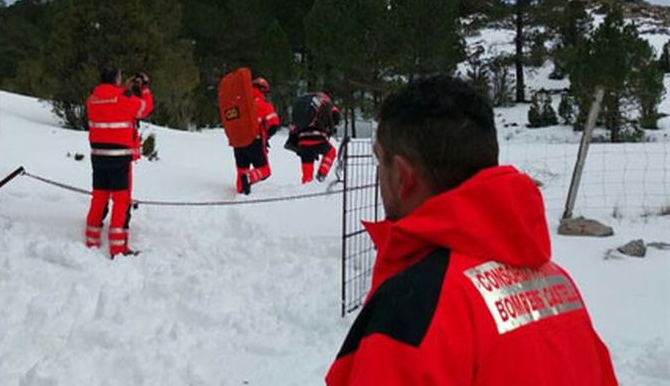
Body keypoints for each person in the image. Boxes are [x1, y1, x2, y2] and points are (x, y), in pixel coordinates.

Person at [325, 76, 616, 385]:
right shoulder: (557, 284)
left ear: (403, 177)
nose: (379, 175)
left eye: (379, 162)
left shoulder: (413, 307)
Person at [84, 66, 153, 257]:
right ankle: (118, 247)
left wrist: (125, 87)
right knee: (121, 200)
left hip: (98, 155)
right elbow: (144, 108)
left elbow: (111, 103)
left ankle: (91, 240)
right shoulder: (123, 98)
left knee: (99, 197)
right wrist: (144, 88)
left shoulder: (93, 99)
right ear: (116, 79)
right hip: (119, 157)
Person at [233, 76, 280, 195]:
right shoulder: (264, 105)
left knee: (241, 170)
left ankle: (241, 192)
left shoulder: (239, 103)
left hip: (237, 142)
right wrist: (266, 136)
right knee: (265, 170)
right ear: (262, 90)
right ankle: (249, 177)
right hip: (255, 141)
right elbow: (274, 125)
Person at [284, 91, 341, 183]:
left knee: (307, 163)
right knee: (331, 152)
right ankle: (321, 175)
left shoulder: (303, 106)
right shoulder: (325, 103)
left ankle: (307, 182)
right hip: (318, 137)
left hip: (302, 140)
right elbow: (336, 115)